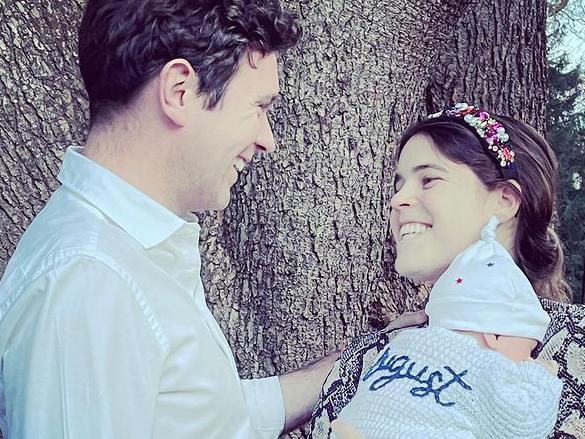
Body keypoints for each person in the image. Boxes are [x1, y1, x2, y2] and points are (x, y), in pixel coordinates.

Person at [0, 1, 338, 438]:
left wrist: (363, 363)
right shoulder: (91, 284)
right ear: (180, 91)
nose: (266, 139)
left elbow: (207, 419)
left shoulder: (130, 252)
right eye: (258, 107)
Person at [310, 103, 575, 438]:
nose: (398, 199)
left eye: (429, 179)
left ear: (504, 201)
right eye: (399, 184)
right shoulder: (371, 354)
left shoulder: (574, 346)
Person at [331, 215, 563, 438]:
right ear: (495, 336)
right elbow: (524, 427)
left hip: (352, 426)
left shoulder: (402, 343)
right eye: (528, 350)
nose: (528, 359)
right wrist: (541, 377)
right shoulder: (488, 371)